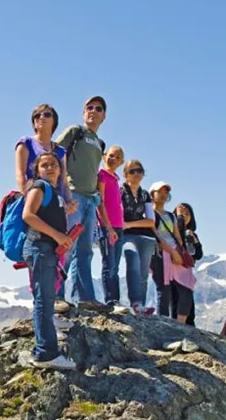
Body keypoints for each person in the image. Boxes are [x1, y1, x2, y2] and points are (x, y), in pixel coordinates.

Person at [21, 152, 77, 370]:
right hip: (39, 248)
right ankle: (46, 354)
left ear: (61, 170)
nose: (50, 167)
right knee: (44, 301)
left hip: (46, 250)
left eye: (54, 164)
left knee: (44, 300)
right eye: (44, 165)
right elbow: (28, 215)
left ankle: (42, 351)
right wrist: (58, 236)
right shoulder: (40, 187)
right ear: (37, 170)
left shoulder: (55, 192)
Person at [55, 96, 107, 307]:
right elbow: (54, 153)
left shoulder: (100, 143)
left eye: (98, 108)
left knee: (85, 250)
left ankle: (84, 298)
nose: (93, 111)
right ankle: (56, 296)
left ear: (104, 116)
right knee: (65, 245)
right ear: (84, 113)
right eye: (89, 108)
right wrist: (63, 189)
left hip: (90, 200)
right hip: (73, 196)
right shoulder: (75, 132)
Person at [149, 181, 196, 323]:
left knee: (186, 287)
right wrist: (172, 252)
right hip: (159, 253)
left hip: (174, 252)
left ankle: (180, 324)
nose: (163, 195)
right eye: (160, 192)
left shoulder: (171, 216)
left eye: (166, 192)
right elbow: (155, 235)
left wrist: (179, 250)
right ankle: (163, 322)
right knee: (164, 289)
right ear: (152, 195)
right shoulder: (149, 213)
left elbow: (177, 236)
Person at [14, 104, 73, 207]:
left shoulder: (61, 151)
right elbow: (20, 175)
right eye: (37, 116)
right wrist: (28, 201)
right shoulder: (26, 143)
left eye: (46, 114)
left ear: (54, 121)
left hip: (57, 203)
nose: (41, 117)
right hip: (35, 200)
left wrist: (69, 202)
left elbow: (63, 182)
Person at [119, 160, 156, 315]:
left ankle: (141, 306)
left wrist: (129, 224)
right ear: (126, 174)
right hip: (126, 237)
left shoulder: (145, 194)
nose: (137, 174)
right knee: (132, 258)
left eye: (140, 171)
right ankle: (135, 301)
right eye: (133, 171)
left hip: (146, 236)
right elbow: (119, 217)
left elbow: (151, 220)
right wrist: (131, 224)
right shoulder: (120, 191)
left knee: (143, 272)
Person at [97, 146, 124, 308]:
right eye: (111, 155)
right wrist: (108, 227)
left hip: (119, 226)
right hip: (108, 227)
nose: (114, 159)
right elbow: (100, 202)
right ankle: (110, 300)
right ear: (104, 156)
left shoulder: (115, 178)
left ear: (121, 162)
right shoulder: (102, 175)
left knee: (115, 265)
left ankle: (117, 299)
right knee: (108, 263)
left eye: (118, 157)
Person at [173, 203, 203, 325]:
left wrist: (195, 242)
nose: (184, 216)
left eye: (187, 214)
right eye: (181, 214)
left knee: (189, 308)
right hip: (174, 271)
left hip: (187, 272)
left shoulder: (192, 234)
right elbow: (178, 239)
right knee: (176, 301)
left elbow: (198, 255)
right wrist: (178, 219)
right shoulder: (172, 231)